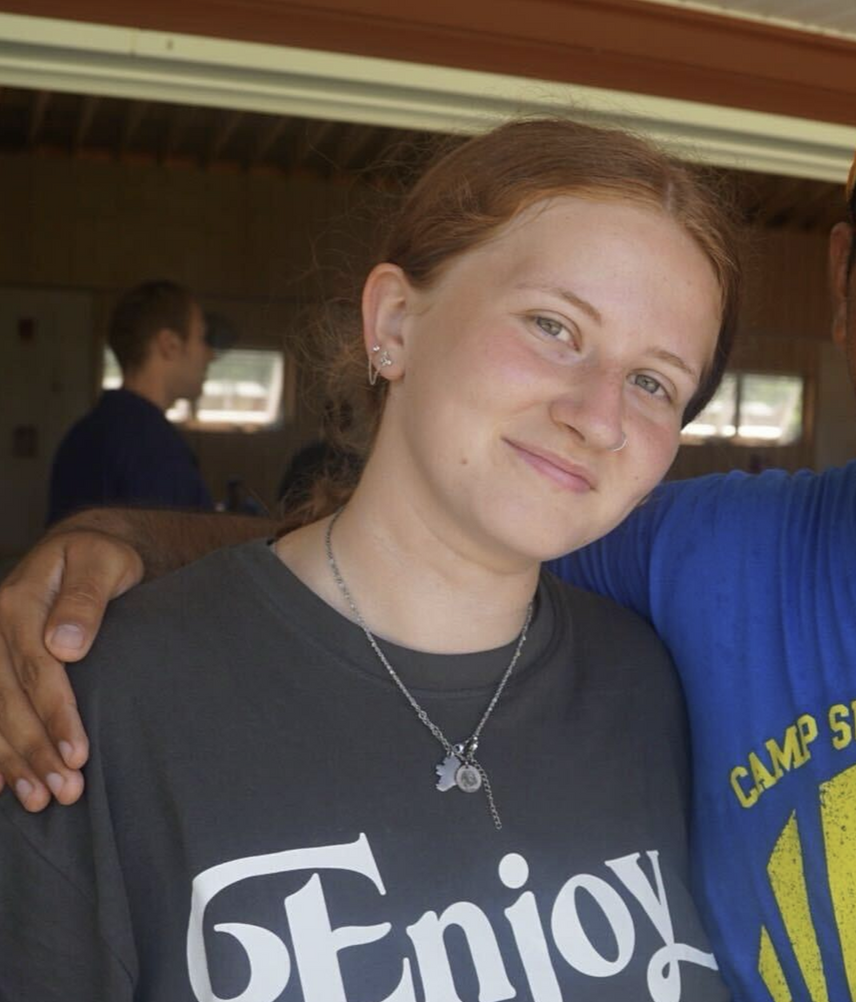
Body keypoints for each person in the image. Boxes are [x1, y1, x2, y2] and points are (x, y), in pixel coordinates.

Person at [0, 118, 739, 1001]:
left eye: (654, 382)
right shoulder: (102, 697)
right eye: (553, 325)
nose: (600, 416)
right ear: (395, 320)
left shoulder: (646, 685)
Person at [46, 279, 216, 524]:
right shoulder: (153, 447)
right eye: (201, 337)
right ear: (169, 344)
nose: (210, 355)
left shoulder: (84, 433)